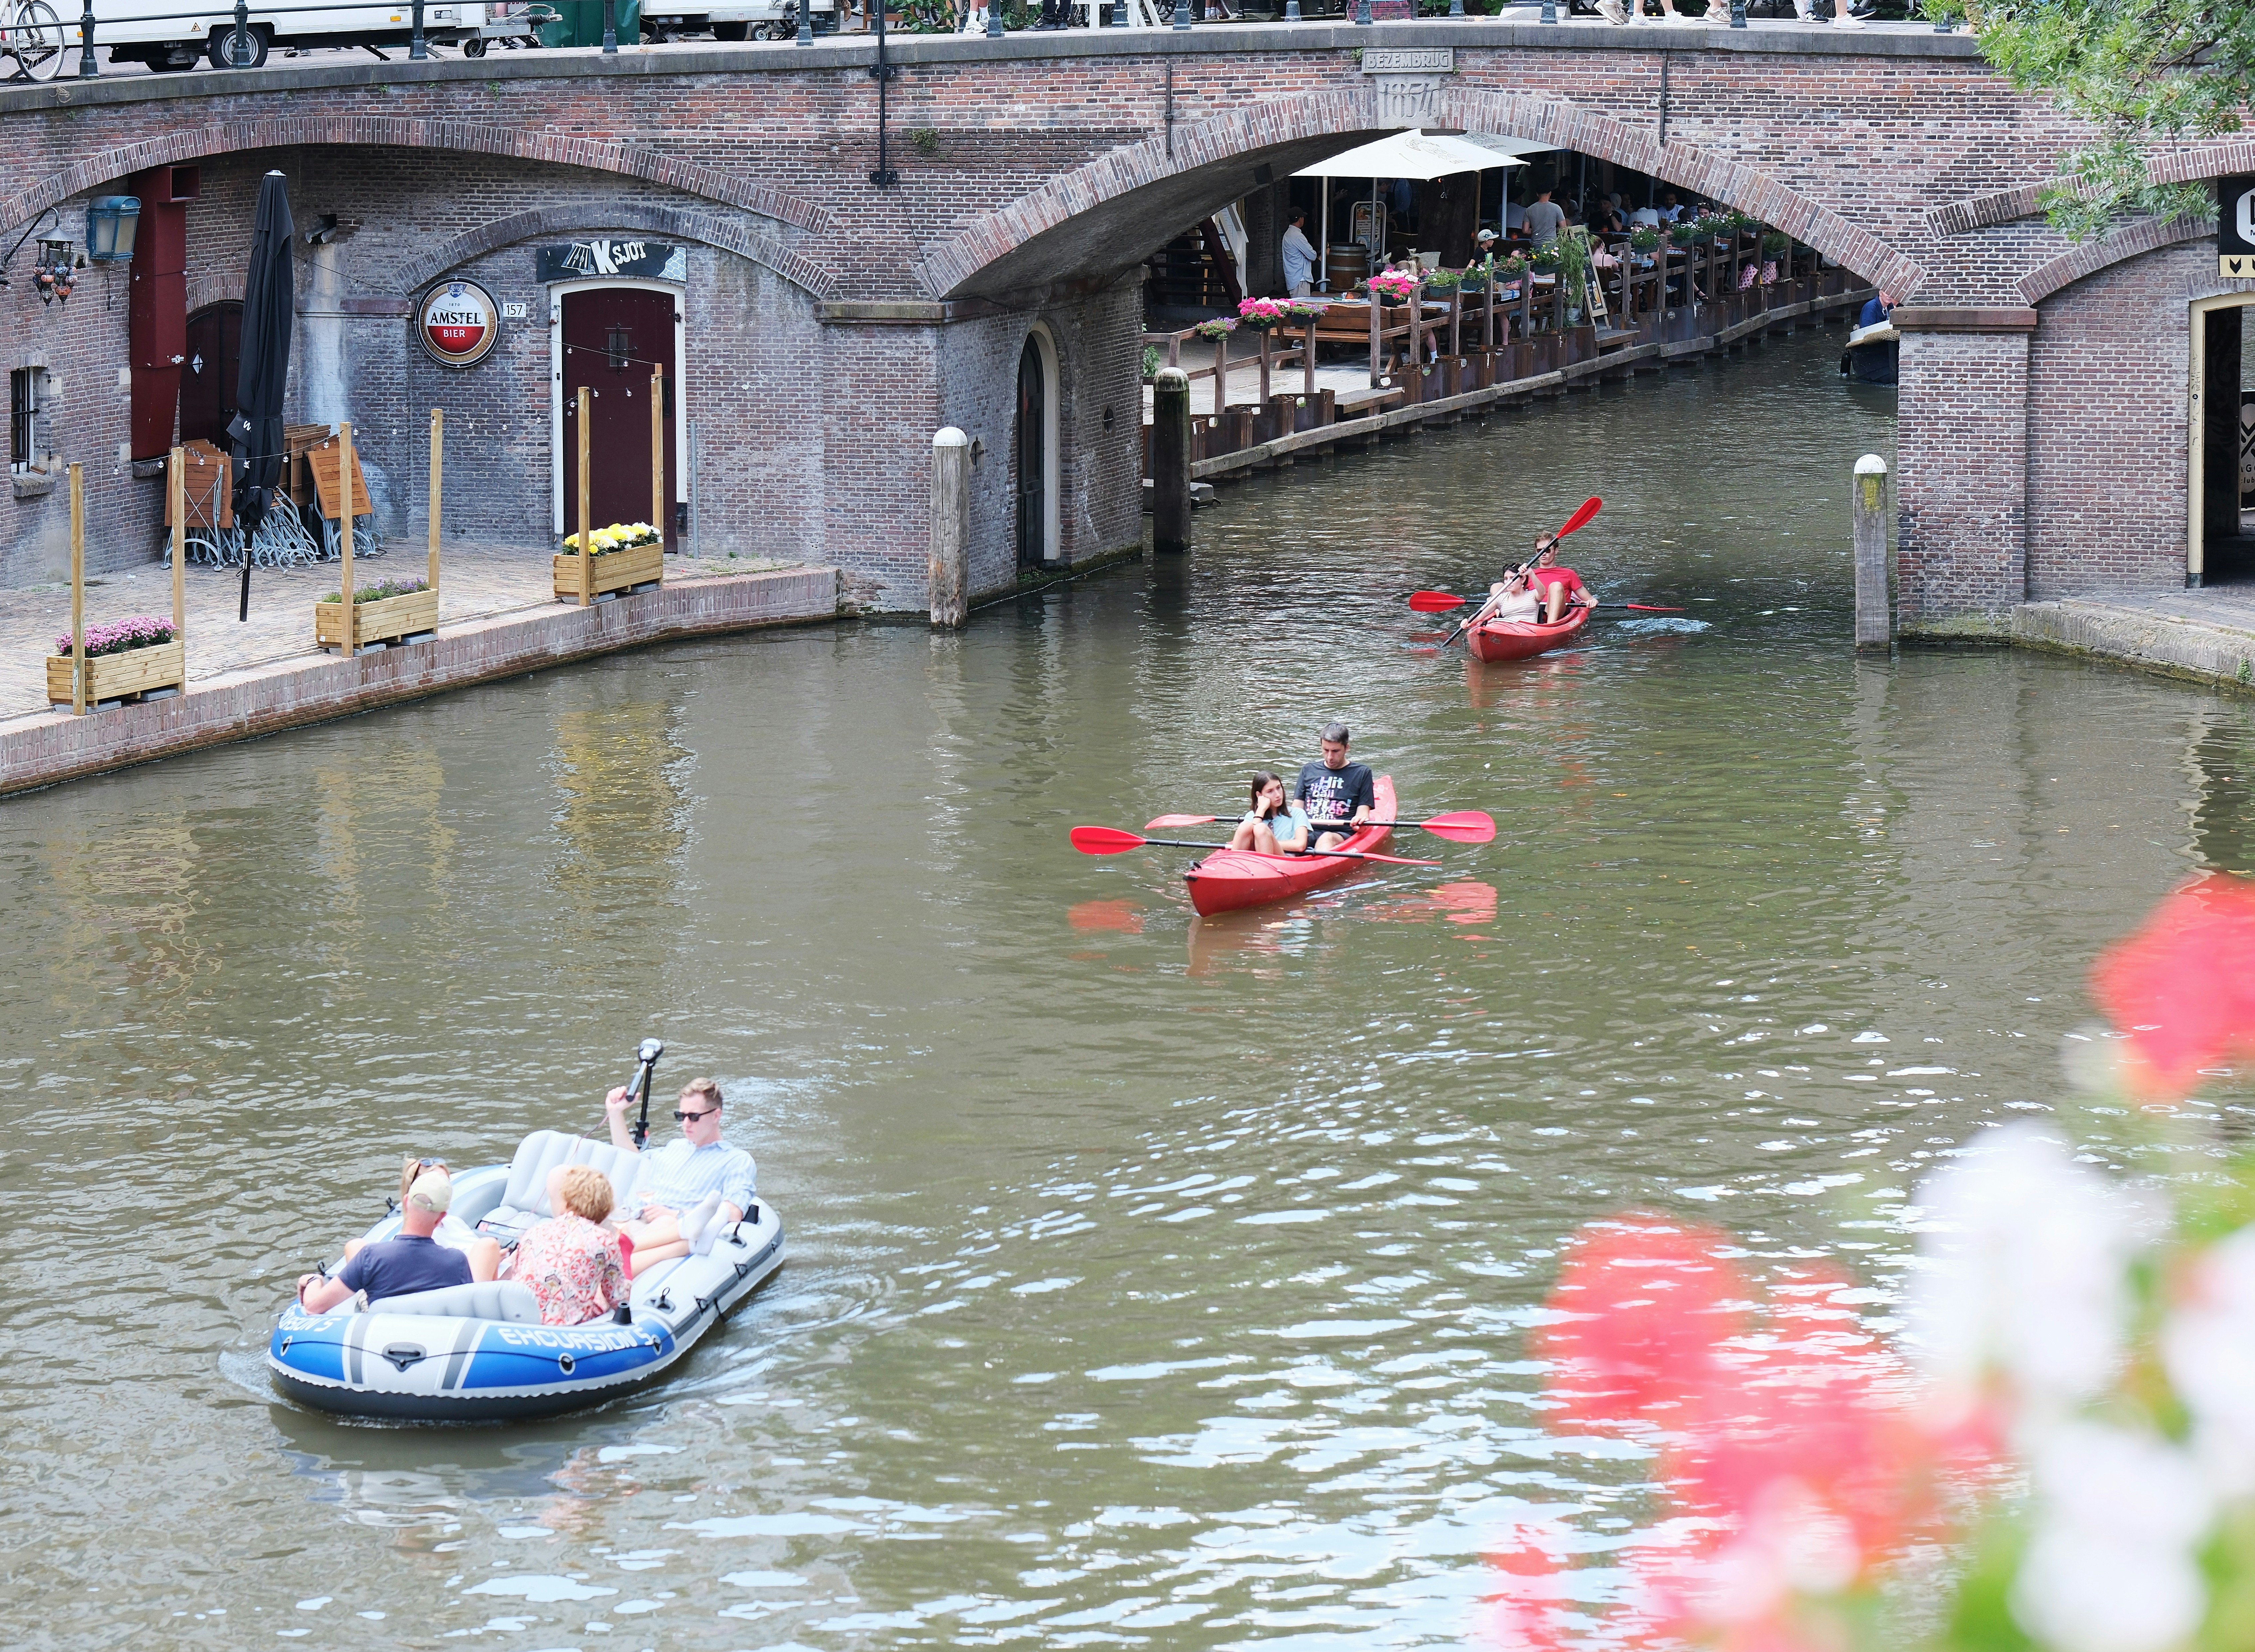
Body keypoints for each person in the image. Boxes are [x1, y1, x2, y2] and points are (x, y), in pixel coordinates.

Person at [603, 1076, 757, 1278]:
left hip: (667, 1226)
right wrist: (615, 1114)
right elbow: (633, 1159)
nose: (686, 1124)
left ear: (716, 1115)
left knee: (659, 1227)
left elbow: (734, 1212)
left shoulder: (736, 1160)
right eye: (680, 1116)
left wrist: (675, 1215)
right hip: (632, 1215)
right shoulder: (675, 1146)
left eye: (693, 1117)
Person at [297, 1168, 473, 1313]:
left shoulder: (371, 1257)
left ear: (405, 1203)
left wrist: (314, 1280)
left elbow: (314, 1307)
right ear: (441, 1217)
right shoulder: (456, 1262)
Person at [504, 1165, 630, 1326]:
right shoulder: (604, 1238)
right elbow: (619, 1300)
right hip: (567, 1329)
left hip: (521, 1320)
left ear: (566, 1200)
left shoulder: (534, 1232)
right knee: (600, 1301)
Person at [343, 1155, 502, 1282]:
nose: (443, 1189)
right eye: (436, 1183)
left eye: (446, 1183)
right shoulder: (423, 1237)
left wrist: (496, 1259)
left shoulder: (454, 1223)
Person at [1293, 724, 1377, 852]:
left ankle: (1319, 868)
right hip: (1308, 831)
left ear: (1347, 748)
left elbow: (1363, 814)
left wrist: (1360, 822)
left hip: (1339, 833)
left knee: (1326, 838)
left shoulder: (1362, 773)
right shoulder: (1308, 770)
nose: (1330, 757)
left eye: (1336, 751)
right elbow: (1296, 811)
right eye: (1326, 750)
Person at [1229, 771, 1311, 856]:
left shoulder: (1297, 813)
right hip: (1255, 860)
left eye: (1279, 788)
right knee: (1245, 826)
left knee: (1261, 829)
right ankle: (1235, 864)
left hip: (1285, 861)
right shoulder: (1251, 816)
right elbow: (1251, 839)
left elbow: (1300, 845)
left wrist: (1267, 841)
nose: (1278, 795)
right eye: (1270, 791)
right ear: (1259, 795)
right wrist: (1261, 810)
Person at [1524, 534, 1593, 624]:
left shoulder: (1569, 574)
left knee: (1556, 585)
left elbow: (1590, 599)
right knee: (1500, 585)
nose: (1543, 554)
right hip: (1534, 611)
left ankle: (1550, 626)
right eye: (1540, 551)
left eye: (1547, 551)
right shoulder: (1530, 574)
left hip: (1558, 612)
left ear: (1556, 551)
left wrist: (1593, 601)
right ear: (1536, 552)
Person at [1281, 210, 1317, 298]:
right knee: (1303, 308)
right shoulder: (1297, 236)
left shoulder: (1288, 234)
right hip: (1301, 279)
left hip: (1294, 278)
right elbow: (1313, 256)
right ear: (1301, 219)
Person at [1522, 187, 1566, 251]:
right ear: (1550, 194)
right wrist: (1555, 229)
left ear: (1537, 194)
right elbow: (1564, 227)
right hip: (1552, 244)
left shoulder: (1529, 210)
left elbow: (1525, 231)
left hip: (1536, 246)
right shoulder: (1557, 208)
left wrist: (1534, 230)